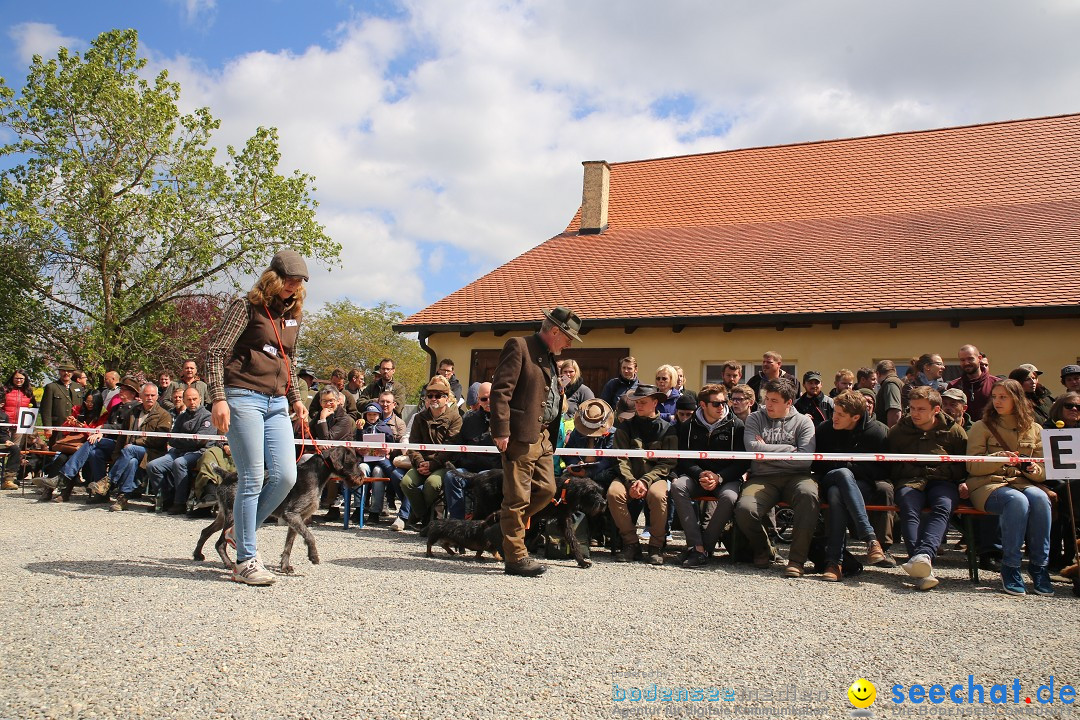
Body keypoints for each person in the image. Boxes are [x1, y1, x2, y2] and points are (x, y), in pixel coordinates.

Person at [205, 249, 310, 586]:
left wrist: (296, 399)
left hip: (277, 403)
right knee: (251, 477)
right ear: (273, 277)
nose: (294, 287)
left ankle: (238, 531)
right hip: (243, 396)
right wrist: (218, 398)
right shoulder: (245, 307)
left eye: (299, 283)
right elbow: (216, 352)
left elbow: (290, 361)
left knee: (285, 476)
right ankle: (245, 560)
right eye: (289, 280)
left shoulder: (293, 316)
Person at [489, 306, 583, 577]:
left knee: (546, 490)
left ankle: (502, 530)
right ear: (555, 331)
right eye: (567, 338)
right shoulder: (519, 346)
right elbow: (500, 391)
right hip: (520, 435)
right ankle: (516, 557)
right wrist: (501, 430)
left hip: (543, 436)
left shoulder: (549, 355)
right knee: (517, 499)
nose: (568, 344)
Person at [966, 379, 1051, 596]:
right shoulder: (981, 426)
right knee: (1017, 501)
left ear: (1017, 399)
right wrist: (998, 458)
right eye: (994, 397)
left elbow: (1043, 470)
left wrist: (1033, 470)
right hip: (988, 484)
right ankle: (1011, 567)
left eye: (1003, 397)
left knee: (1040, 499)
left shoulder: (1035, 429)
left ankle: (1039, 566)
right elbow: (972, 467)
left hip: (1024, 483)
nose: (997, 401)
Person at [735, 378, 818, 577]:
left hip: (797, 477)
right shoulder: (755, 418)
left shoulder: (804, 422)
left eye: (774, 400)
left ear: (789, 402)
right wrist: (790, 450)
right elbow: (753, 449)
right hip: (762, 478)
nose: (768, 404)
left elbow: (805, 460)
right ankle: (763, 549)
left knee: (808, 496)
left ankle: (797, 560)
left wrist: (767, 454)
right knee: (745, 508)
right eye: (766, 399)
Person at [888, 386, 967, 591]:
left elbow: (962, 465)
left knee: (943, 505)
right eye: (912, 408)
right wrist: (912, 469)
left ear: (936, 410)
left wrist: (943, 473)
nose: (915, 413)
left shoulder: (954, 432)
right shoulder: (898, 432)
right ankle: (922, 562)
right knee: (908, 506)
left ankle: (923, 556)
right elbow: (891, 465)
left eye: (921, 409)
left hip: (943, 481)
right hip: (910, 481)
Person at [812, 390, 892, 580]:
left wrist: (850, 467)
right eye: (834, 412)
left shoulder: (878, 432)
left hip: (861, 484)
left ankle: (834, 563)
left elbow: (884, 470)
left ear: (856, 417)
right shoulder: (825, 429)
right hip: (829, 477)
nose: (834, 418)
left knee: (836, 496)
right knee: (842, 474)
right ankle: (870, 538)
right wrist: (845, 467)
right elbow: (816, 462)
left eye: (840, 414)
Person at [669, 383, 748, 567]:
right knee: (677, 486)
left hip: (726, 478)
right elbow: (684, 458)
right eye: (716, 403)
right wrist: (700, 474)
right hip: (698, 476)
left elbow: (743, 462)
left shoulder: (737, 425)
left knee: (729, 497)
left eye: (724, 402)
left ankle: (703, 548)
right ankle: (696, 546)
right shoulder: (688, 426)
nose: (722, 406)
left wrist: (719, 477)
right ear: (703, 405)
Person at [608, 385, 678, 565]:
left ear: (655, 403)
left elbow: (668, 462)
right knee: (614, 493)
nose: (638, 406)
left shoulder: (667, 429)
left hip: (655, 477)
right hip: (629, 476)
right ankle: (631, 543)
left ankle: (656, 546)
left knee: (658, 495)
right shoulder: (625, 427)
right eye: (636, 402)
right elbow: (620, 458)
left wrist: (646, 481)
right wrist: (631, 481)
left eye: (643, 402)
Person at [399, 375, 462, 530]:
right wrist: (420, 462)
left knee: (432, 484)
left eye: (438, 396)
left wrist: (433, 464)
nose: (434, 399)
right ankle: (425, 515)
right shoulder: (419, 418)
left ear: (446, 398)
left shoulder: (455, 418)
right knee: (406, 483)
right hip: (421, 463)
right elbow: (413, 445)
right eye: (430, 396)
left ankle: (417, 515)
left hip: (443, 464)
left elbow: (451, 446)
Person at [101, 382, 173, 512]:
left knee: (130, 449)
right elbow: (122, 436)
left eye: (152, 395)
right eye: (146, 395)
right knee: (132, 461)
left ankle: (109, 481)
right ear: (140, 395)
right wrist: (117, 454)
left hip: (153, 453)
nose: (149, 398)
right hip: (130, 453)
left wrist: (135, 443)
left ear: (157, 396)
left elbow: (159, 440)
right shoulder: (133, 412)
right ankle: (123, 497)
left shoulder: (163, 415)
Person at [146, 386, 216, 514]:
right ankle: (166, 499)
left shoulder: (207, 417)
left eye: (194, 399)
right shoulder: (181, 417)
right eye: (188, 399)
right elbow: (172, 438)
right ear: (184, 400)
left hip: (200, 453)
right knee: (153, 466)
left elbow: (200, 442)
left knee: (179, 463)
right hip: (179, 451)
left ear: (200, 398)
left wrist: (182, 442)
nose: (192, 402)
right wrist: (184, 442)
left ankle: (180, 503)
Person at [443, 382, 498, 519]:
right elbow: (459, 446)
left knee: (485, 478)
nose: (488, 402)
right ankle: (457, 522)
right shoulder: (468, 419)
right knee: (451, 476)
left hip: (493, 471)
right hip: (469, 469)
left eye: (492, 397)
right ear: (478, 400)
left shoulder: (506, 419)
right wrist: (462, 462)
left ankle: (484, 524)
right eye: (484, 399)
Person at [948, 344, 998, 421]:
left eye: (970, 359)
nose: (966, 363)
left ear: (979, 358)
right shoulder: (954, 386)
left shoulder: (996, 384)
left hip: (990, 431)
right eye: (962, 360)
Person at [39, 362, 80, 446]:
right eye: (63, 371)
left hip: (75, 426)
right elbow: (45, 409)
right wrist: (48, 427)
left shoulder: (77, 387)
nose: (66, 373)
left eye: (69, 371)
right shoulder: (51, 387)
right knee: (55, 449)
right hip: (57, 426)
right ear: (59, 372)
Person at [874, 359, 904, 428]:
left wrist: (891, 435)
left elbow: (894, 411)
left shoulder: (890, 384)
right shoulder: (897, 382)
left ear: (878, 374)